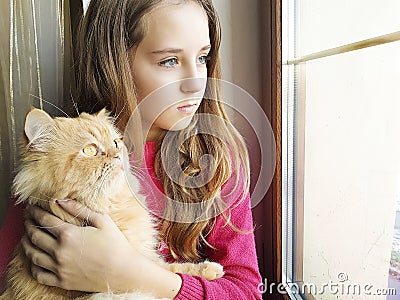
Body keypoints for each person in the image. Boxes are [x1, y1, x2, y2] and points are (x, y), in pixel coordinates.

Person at [1, 0, 263, 299]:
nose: (195, 83)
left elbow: (247, 292)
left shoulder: (217, 159)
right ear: (114, 61)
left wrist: (131, 274)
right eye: (170, 61)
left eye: (203, 57)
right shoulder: (56, 165)